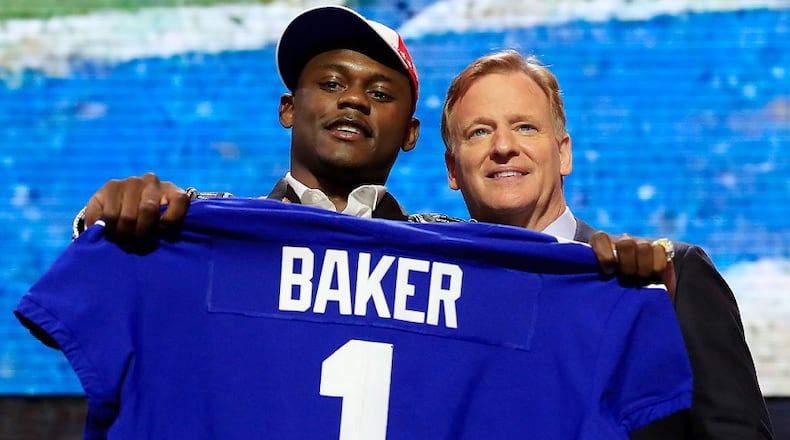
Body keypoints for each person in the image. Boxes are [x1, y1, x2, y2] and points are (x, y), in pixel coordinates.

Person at [439, 48, 773, 439]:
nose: (503, 147)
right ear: (452, 169)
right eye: (479, 132)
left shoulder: (670, 277)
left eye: (525, 127)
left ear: (563, 153)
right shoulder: (443, 299)